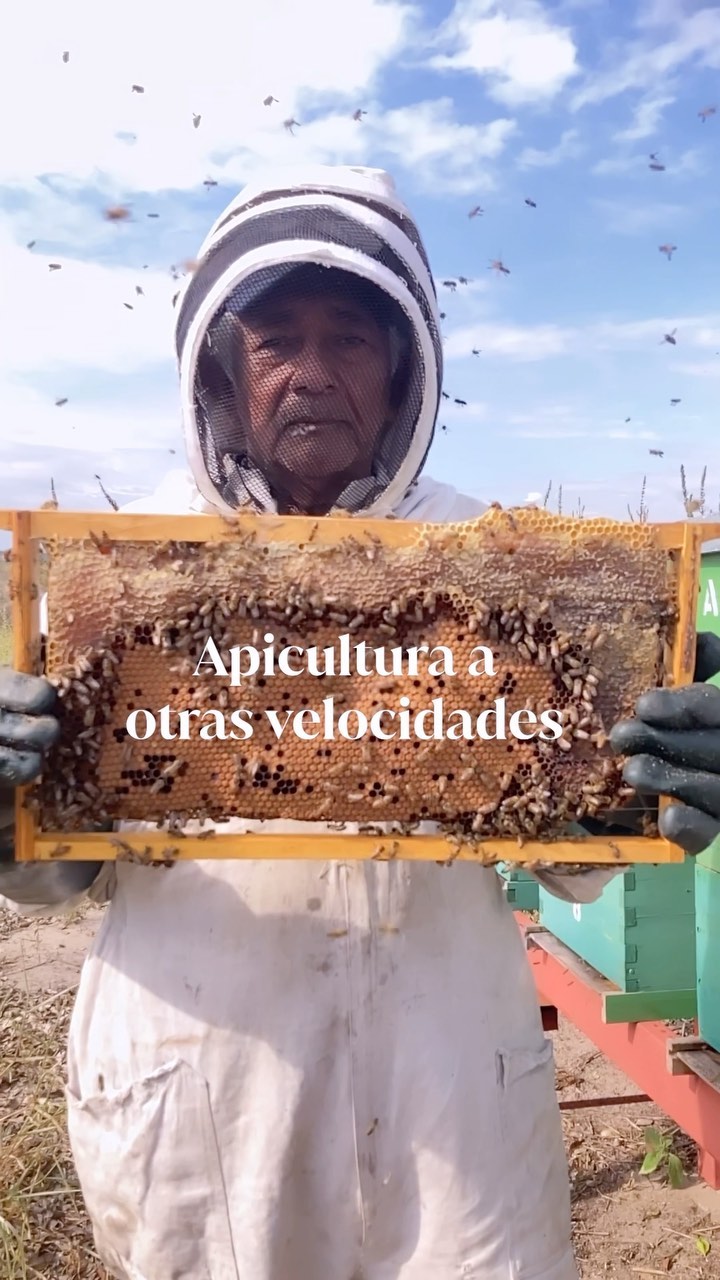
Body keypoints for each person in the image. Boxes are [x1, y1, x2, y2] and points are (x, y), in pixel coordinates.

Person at [1, 164, 720, 1280]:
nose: (313, 374)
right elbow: (58, 876)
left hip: (452, 1112)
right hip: (202, 1097)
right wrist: (11, 815)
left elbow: (575, 864)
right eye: (276, 339)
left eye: (352, 339)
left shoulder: (511, 569)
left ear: (404, 370)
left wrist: (663, 777)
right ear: (222, 370)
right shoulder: (116, 577)